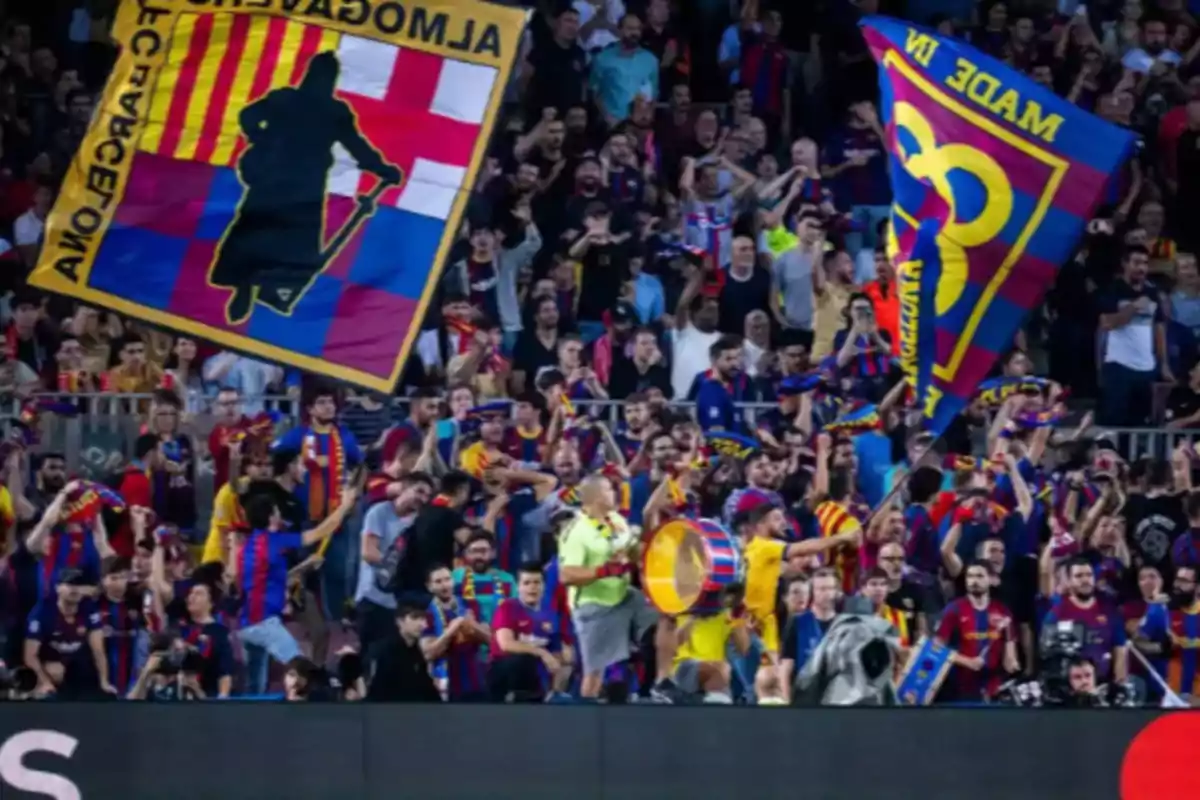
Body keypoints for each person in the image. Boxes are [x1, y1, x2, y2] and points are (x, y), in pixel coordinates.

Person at [209, 51, 402, 322]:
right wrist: (383, 169)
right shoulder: (334, 111)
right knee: (293, 241)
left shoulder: (285, 98)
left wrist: (261, 138)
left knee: (255, 227)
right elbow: (358, 147)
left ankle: (246, 281)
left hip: (274, 178)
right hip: (305, 187)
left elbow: (248, 116)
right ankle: (268, 289)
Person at [236, 481, 359, 694]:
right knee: (302, 670)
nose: (278, 513)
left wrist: (306, 565)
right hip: (264, 624)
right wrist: (346, 505)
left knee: (255, 684)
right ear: (270, 517)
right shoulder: (274, 541)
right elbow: (320, 532)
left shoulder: (250, 546)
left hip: (245, 625)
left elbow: (275, 579)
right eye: (275, 510)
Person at [558, 474, 670, 699]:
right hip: (595, 606)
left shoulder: (616, 519)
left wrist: (644, 547)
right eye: (609, 489)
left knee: (665, 618)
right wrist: (603, 571)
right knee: (594, 675)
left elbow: (632, 550)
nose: (614, 493)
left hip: (623, 596)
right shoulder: (576, 532)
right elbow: (566, 575)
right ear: (596, 496)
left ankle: (661, 681)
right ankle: (586, 718)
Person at [355, 473, 433, 655]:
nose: (423, 498)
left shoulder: (419, 522)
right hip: (372, 598)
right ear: (404, 487)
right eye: (419, 491)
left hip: (399, 603)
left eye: (427, 496)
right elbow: (368, 552)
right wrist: (395, 567)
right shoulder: (379, 512)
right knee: (369, 656)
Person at [935, 561, 1020, 702]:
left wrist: (1012, 665)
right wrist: (967, 661)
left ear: (991, 579)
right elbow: (935, 648)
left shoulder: (1003, 611)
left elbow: (1010, 657)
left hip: (994, 692)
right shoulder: (953, 610)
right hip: (958, 691)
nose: (974, 581)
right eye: (970, 576)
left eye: (980, 576)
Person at [489, 563, 572, 702]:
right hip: (504, 673)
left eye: (536, 582)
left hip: (537, 677)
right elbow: (506, 644)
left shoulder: (551, 614)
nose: (532, 587)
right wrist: (541, 652)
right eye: (526, 583)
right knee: (523, 660)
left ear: (544, 586)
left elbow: (557, 652)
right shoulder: (507, 607)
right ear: (518, 586)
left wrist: (559, 671)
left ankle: (553, 696)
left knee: (568, 663)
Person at [1042, 556, 1129, 687]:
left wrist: (1119, 684)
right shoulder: (1057, 613)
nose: (1085, 580)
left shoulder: (1109, 611)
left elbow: (1120, 649)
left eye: (1089, 575)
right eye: (1079, 576)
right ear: (1069, 581)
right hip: (1068, 689)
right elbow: (1047, 652)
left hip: (1102, 686)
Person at [366, 603, 442, 703]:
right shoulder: (384, 651)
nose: (421, 624)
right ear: (400, 621)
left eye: (423, 619)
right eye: (415, 618)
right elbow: (377, 692)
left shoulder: (416, 652)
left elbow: (427, 688)